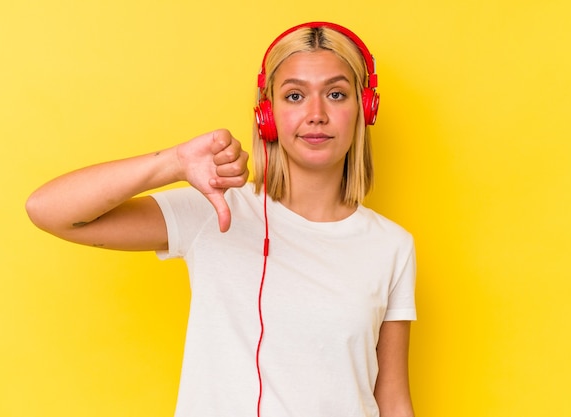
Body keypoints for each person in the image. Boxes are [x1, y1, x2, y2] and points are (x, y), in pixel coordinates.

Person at [26, 21, 416, 417]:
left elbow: (393, 400)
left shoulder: (391, 246)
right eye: (294, 95)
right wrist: (175, 163)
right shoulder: (215, 209)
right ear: (267, 114)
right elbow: (49, 210)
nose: (316, 114)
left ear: (365, 109)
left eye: (336, 94)